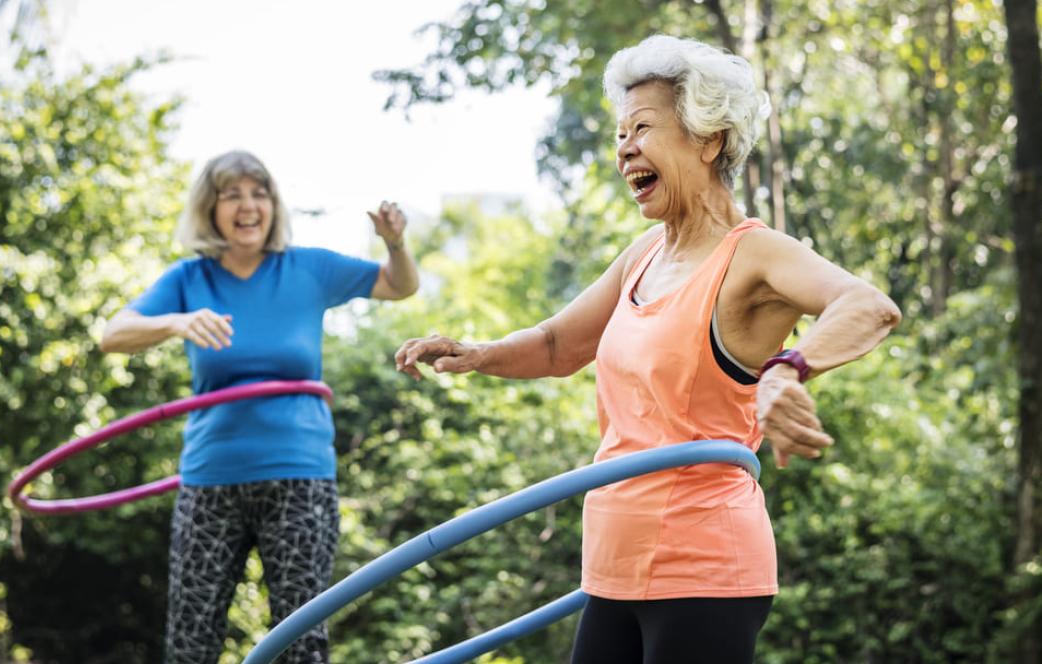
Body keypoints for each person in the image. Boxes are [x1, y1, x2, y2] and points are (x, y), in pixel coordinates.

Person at [394, 35, 901, 664]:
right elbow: (557, 346)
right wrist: (476, 353)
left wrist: (788, 369)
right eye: (619, 134)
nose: (624, 148)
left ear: (709, 139)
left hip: (703, 564)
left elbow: (869, 305)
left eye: (643, 128)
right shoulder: (644, 255)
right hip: (613, 567)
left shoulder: (754, 254)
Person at [99, 149, 418, 664]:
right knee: (190, 640)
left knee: (300, 642)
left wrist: (396, 243)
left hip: (299, 479)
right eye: (232, 194)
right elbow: (113, 335)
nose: (248, 206)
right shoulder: (189, 279)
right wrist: (175, 322)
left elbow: (399, 285)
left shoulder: (308, 268)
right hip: (209, 481)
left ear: (273, 204)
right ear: (210, 208)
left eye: (258, 192)